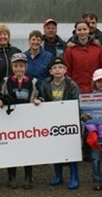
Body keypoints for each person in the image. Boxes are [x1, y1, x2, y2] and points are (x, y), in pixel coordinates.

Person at [0, 53, 41, 189]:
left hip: (27, 120)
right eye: (16, 66)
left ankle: (28, 177)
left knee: (27, 149)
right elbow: (1, 95)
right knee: (11, 149)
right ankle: (12, 177)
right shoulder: (6, 81)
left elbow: (40, 95)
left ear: (26, 67)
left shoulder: (33, 81)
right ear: (12, 67)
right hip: (10, 119)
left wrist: (38, 100)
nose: (19, 69)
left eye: (21, 66)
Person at [38, 57, 81, 190]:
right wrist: (38, 100)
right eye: (55, 68)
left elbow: (77, 101)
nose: (57, 70)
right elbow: (42, 97)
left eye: (60, 67)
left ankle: (74, 176)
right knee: (56, 149)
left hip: (69, 121)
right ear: (50, 71)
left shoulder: (71, 84)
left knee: (71, 149)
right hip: (52, 121)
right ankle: (58, 175)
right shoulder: (46, 84)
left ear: (65, 70)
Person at [63, 19, 102, 94]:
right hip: (76, 89)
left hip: (96, 90)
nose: (82, 32)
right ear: (76, 31)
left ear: (88, 30)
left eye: (85, 29)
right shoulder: (70, 50)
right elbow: (67, 72)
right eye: (79, 30)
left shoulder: (98, 48)